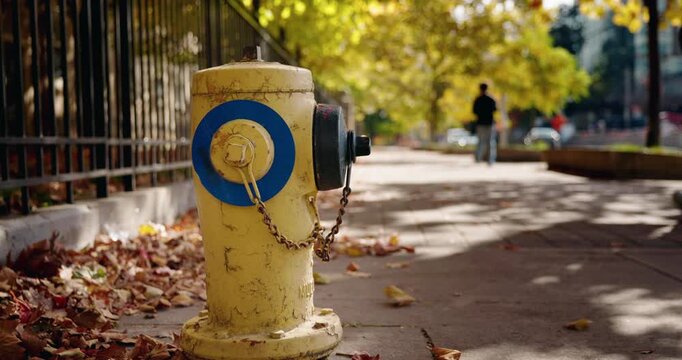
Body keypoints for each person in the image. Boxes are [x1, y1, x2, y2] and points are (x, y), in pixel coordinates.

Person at [473, 83, 497, 165]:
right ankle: (490, 161)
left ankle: (478, 159)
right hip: (489, 122)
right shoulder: (491, 99)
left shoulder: (477, 99)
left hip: (480, 123)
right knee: (490, 142)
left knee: (480, 141)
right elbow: (495, 109)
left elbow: (474, 111)